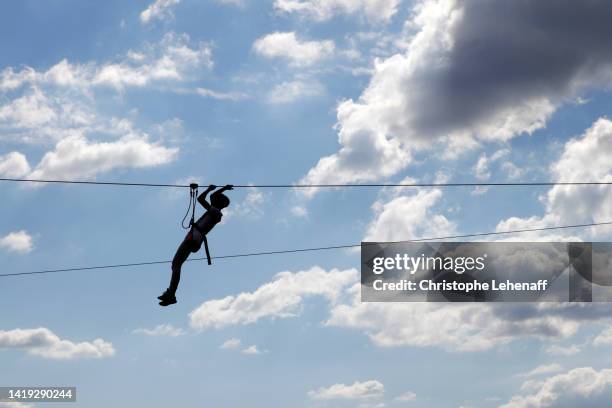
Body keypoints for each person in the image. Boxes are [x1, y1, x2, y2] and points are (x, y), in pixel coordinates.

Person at [158, 184, 233, 306]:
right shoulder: (215, 212)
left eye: (215, 199)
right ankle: (171, 293)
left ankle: (171, 294)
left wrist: (210, 189)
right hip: (194, 238)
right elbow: (212, 196)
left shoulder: (215, 212)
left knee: (176, 264)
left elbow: (202, 199)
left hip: (193, 238)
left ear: (218, 202)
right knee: (176, 265)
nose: (212, 198)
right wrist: (222, 188)